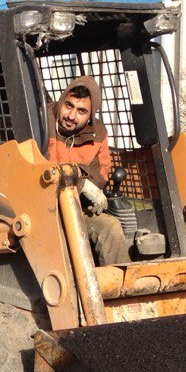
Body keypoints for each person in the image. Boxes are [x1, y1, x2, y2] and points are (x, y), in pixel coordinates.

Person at [45, 76, 130, 265]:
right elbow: (42, 169)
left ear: (90, 115)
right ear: (61, 101)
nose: (71, 116)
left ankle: (119, 282)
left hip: (75, 207)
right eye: (69, 106)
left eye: (81, 111)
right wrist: (81, 181)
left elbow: (100, 175)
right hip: (42, 209)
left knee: (110, 226)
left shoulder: (98, 132)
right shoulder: (42, 121)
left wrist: (77, 179)